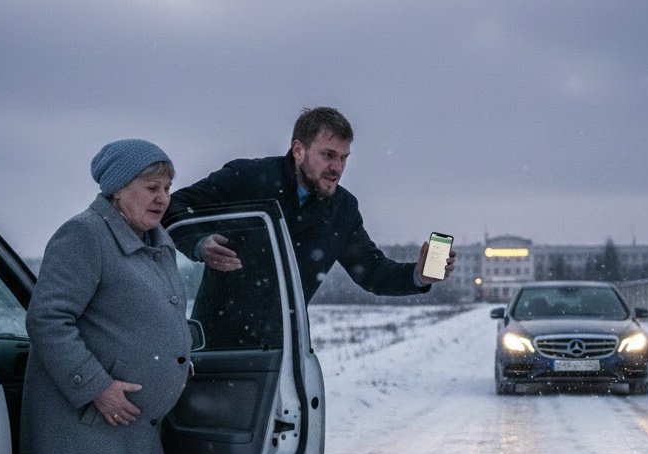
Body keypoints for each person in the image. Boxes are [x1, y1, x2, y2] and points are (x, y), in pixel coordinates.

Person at [21, 139, 192, 454]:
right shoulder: (84, 235)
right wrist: (98, 387)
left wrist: (178, 361)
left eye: (166, 188)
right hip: (90, 434)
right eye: (151, 188)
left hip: (136, 434)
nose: (162, 199)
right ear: (117, 188)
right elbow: (48, 318)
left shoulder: (156, 244)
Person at [165, 106, 455, 319]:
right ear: (298, 150)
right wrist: (199, 244)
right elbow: (173, 207)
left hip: (288, 350)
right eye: (328, 155)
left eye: (343, 158)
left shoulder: (343, 209)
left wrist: (419, 275)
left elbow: (373, 272)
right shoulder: (247, 178)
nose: (338, 168)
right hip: (219, 344)